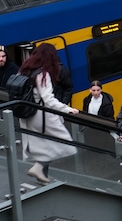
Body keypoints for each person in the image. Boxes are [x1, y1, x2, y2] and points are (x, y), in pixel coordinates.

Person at [17, 43, 80, 183]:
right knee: (64, 142)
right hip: (42, 115)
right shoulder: (42, 74)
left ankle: (42, 176)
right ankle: (39, 167)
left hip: (27, 114)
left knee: (43, 144)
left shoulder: (23, 70)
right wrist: (68, 109)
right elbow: (49, 99)